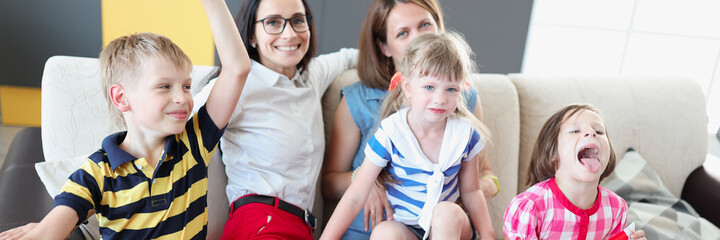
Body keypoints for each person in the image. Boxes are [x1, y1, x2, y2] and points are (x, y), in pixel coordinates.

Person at [0, 0, 250, 239]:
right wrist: (51, 225)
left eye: (186, 86)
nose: (182, 98)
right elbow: (49, 232)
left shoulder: (194, 142)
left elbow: (238, 68)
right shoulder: (96, 174)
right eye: (164, 86)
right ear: (121, 98)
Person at [322, 0, 499, 238]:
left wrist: (486, 230)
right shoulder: (389, 128)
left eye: (424, 25)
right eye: (403, 32)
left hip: (447, 225)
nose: (439, 99)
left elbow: (474, 187)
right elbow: (352, 194)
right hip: (398, 226)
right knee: (385, 232)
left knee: (445, 214)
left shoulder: (463, 127)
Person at [190, 0, 358, 238]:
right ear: (252, 36)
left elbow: (352, 57)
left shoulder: (313, 76)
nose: (289, 34)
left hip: (301, 228)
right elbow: (183, 123)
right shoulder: (239, 85)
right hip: (258, 221)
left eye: (298, 20)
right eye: (273, 23)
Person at [503, 104, 646, 240]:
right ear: (552, 153)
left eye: (599, 131)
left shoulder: (616, 207)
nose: (591, 133)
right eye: (575, 131)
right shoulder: (530, 208)